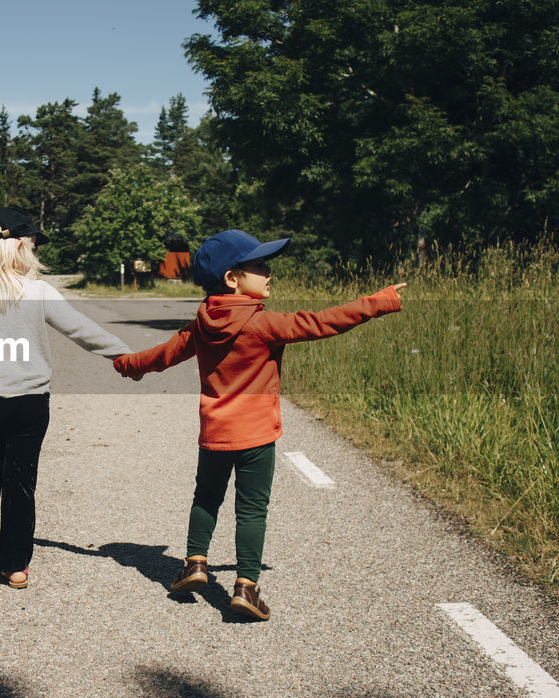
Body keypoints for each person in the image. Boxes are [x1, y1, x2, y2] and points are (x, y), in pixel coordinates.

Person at [113, 230, 405, 620]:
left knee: (206, 498)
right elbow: (323, 322)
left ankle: (196, 564)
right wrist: (378, 302)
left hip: (215, 433)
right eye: (260, 266)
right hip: (256, 435)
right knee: (251, 510)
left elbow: (162, 355)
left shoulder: (201, 323)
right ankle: (246, 588)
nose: (269, 273)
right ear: (233, 278)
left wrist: (128, 365)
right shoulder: (263, 324)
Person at [0, 207, 131, 588]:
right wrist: (125, 355)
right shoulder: (38, 291)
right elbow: (82, 330)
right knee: (21, 484)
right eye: (29, 243)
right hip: (31, 403)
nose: (32, 250)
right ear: (16, 248)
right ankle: (13, 565)